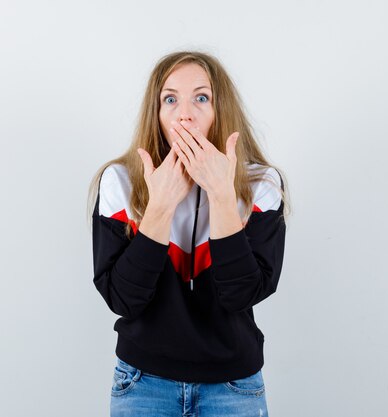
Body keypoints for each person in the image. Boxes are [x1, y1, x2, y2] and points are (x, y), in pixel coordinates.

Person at [87, 51, 289, 417]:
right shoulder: (119, 182)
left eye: (201, 97)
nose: (185, 113)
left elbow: (243, 293)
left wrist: (223, 196)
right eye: (170, 99)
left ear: (219, 109)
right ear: (157, 113)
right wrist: (160, 206)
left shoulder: (262, 184)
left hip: (233, 386)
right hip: (142, 383)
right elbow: (122, 299)